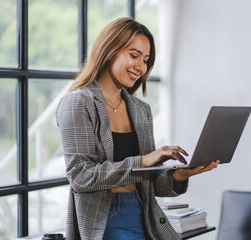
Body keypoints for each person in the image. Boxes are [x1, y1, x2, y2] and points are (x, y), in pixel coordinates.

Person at [56, 17, 219, 240]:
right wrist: (144, 160)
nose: (141, 67)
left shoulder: (141, 110)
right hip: (105, 218)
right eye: (134, 55)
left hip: (145, 212)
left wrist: (180, 175)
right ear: (109, 50)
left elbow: (149, 184)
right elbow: (81, 176)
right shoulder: (78, 102)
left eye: (146, 60)